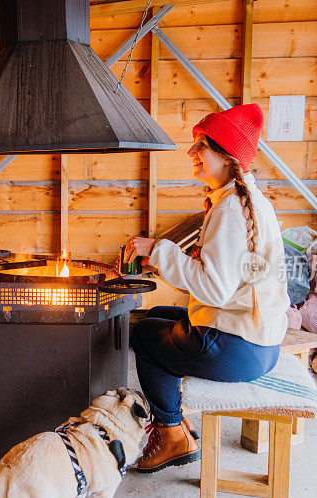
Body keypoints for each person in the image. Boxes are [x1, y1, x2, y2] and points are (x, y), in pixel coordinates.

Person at [125, 103, 289, 473]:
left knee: (145, 336)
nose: (191, 153)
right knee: (158, 316)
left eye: (201, 145)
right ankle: (177, 422)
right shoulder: (240, 201)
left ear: (228, 156)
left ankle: (171, 434)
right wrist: (162, 258)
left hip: (240, 349)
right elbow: (219, 282)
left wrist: (158, 250)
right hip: (255, 339)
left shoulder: (232, 210)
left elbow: (212, 290)